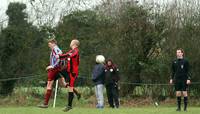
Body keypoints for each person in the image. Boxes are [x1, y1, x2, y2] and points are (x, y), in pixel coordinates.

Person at [38, 38, 64, 108]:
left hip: (54, 69)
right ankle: (76, 93)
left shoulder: (55, 49)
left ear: (53, 43)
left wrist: (52, 66)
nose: (49, 46)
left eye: (49, 44)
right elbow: (62, 59)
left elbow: (60, 58)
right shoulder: (57, 49)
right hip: (57, 69)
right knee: (63, 84)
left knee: (49, 85)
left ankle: (45, 104)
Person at [56, 39, 80, 111]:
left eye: (71, 42)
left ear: (74, 44)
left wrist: (60, 56)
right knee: (57, 71)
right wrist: (59, 56)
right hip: (68, 71)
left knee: (70, 88)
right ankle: (75, 92)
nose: (70, 43)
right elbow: (65, 55)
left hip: (73, 73)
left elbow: (70, 55)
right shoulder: (71, 51)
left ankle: (69, 106)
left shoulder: (76, 50)